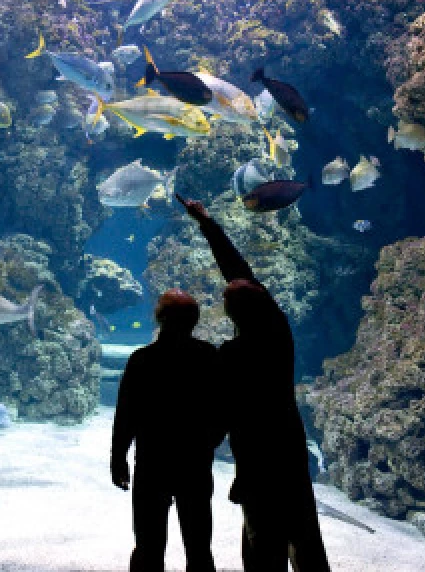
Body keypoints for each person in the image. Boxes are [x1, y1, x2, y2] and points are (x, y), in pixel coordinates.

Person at [176, 192, 332, 572]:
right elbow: (240, 273)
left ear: (231, 314)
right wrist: (208, 224)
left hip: (256, 458)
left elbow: (220, 413)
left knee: (262, 540)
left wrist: (199, 449)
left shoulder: (230, 356)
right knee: (305, 534)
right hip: (290, 448)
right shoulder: (280, 335)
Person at [111, 288, 226, 572]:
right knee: (199, 547)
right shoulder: (208, 356)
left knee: (148, 547)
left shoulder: (142, 360)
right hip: (195, 463)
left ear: (159, 318)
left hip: (152, 463)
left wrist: (118, 457)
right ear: (194, 321)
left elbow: (126, 415)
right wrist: (212, 439)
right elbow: (223, 406)